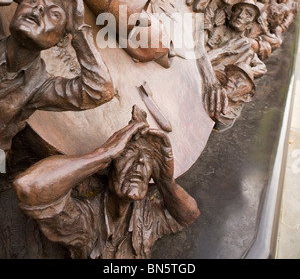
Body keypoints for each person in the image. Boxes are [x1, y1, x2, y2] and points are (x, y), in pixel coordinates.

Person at [13, 106, 200, 260]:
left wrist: (166, 182)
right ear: (109, 167)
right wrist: (103, 154)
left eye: (148, 157)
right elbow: (29, 186)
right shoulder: (86, 220)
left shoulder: (146, 217)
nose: (140, 162)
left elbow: (187, 215)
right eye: (129, 153)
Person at [0, 0, 114, 152]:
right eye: (32, 2)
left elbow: (99, 90)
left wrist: (78, 32)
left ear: (60, 37)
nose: (38, 10)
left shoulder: (40, 86)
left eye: (54, 15)